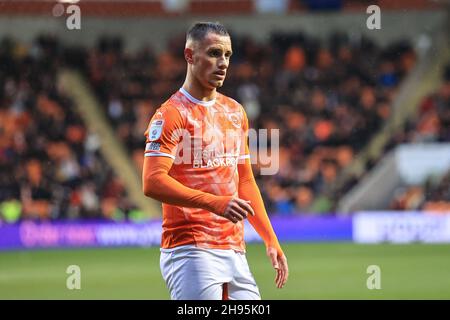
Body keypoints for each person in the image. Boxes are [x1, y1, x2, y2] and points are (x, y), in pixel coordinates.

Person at [142, 22, 288, 300]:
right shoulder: (171, 114)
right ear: (189, 55)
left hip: (234, 249)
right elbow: (152, 182)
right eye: (213, 53)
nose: (223, 63)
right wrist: (215, 203)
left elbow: (244, 179)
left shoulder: (234, 111)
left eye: (228, 55)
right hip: (190, 249)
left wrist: (270, 238)